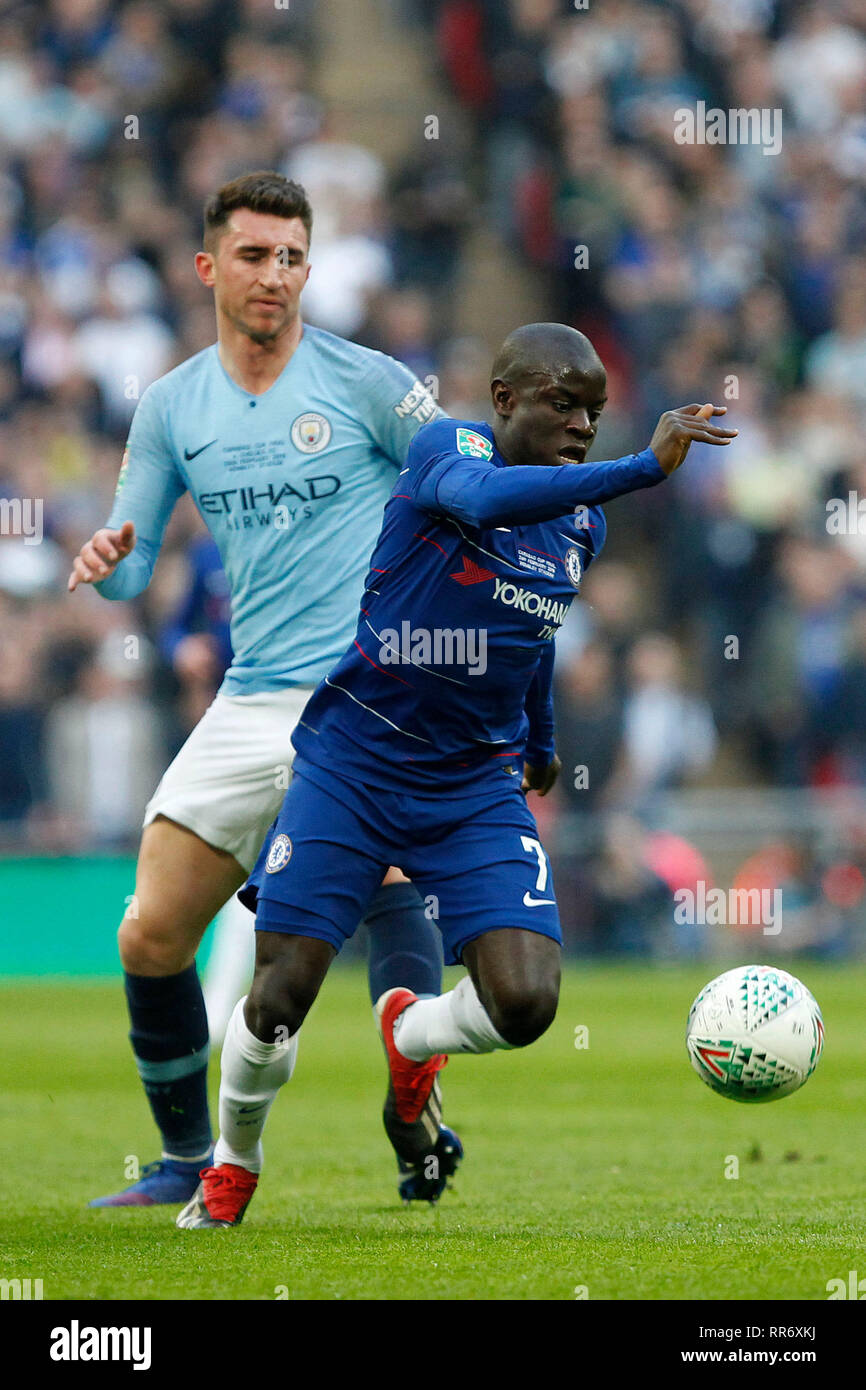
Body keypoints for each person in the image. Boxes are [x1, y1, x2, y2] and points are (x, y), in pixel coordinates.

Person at [175, 322, 737, 1228]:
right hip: (356, 758)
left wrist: (541, 736)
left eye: (595, 411)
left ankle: (411, 1036)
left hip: (473, 782)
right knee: (279, 996)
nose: (584, 425)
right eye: (565, 404)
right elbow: (481, 501)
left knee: (526, 1001)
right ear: (506, 398)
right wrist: (644, 466)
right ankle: (233, 1163)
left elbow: (534, 632)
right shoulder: (450, 450)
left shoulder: (579, 522)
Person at [67, 170, 461, 1207]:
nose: (274, 276)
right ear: (208, 267)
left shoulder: (369, 381)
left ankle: (409, 1103)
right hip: (252, 699)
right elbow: (132, 568)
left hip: (366, 694)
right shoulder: (171, 406)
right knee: (150, 930)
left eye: (292, 257)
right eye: (252, 255)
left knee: (384, 885)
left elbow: (464, 486)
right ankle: (183, 1160)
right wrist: (107, 557)